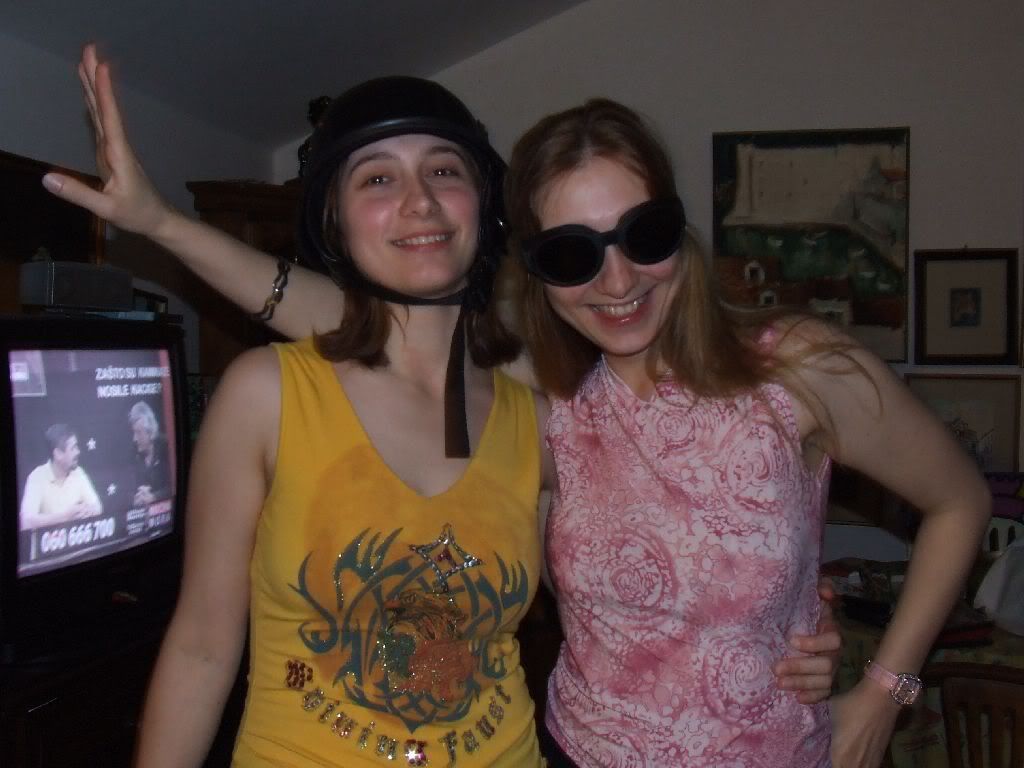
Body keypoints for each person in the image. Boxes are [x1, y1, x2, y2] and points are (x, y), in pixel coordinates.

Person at [45, 45, 843, 767]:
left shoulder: (542, 413)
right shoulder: (265, 395)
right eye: (378, 178)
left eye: (444, 171)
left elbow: (666, 579)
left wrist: (800, 623)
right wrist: (159, 224)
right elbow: (200, 649)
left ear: (484, 211)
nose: (420, 202)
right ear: (335, 220)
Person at [500, 99, 990, 767]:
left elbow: (961, 501)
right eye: (570, 253)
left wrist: (886, 690)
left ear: (679, 229)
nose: (617, 280)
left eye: (643, 235)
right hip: (578, 750)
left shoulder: (796, 367)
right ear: (535, 271)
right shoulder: (544, 406)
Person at [19, 423, 103, 530]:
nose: (78, 452)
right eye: (73, 448)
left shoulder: (78, 472)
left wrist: (86, 511)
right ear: (58, 454)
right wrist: (65, 517)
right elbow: (25, 522)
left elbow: (98, 507)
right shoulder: (37, 477)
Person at [129, 400, 171, 507]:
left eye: (138, 432)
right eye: (134, 432)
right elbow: (134, 489)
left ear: (150, 431)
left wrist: (155, 497)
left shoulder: (166, 446)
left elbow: (176, 484)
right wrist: (138, 498)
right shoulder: (136, 454)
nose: (135, 439)